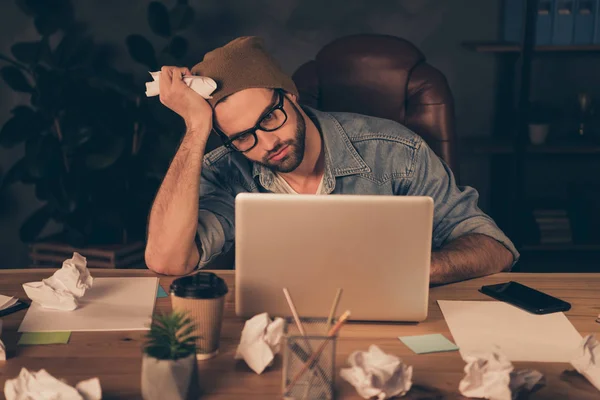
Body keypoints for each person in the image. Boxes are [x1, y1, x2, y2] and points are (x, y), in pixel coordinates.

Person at [145, 36, 519, 283]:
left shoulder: (395, 151)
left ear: (290, 95)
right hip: (272, 334)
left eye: (269, 118)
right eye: (243, 136)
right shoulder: (229, 168)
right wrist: (196, 129)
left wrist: (416, 269)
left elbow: (493, 246)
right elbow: (166, 261)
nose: (266, 142)